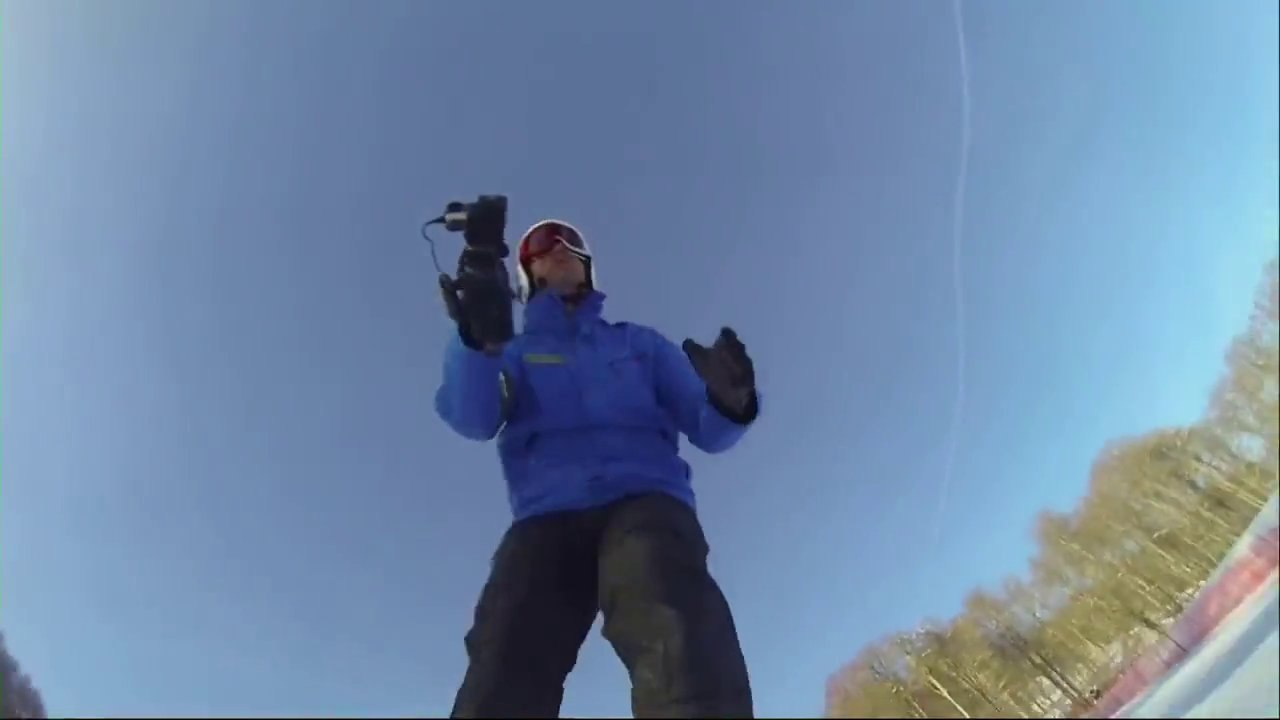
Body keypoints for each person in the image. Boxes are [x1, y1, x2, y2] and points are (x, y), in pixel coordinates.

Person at [434, 217, 761, 719]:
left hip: (644, 496)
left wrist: (730, 401)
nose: (560, 247)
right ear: (528, 274)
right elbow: (474, 418)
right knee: (509, 644)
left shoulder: (639, 345)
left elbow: (708, 430)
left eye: (571, 243)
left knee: (662, 598)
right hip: (547, 514)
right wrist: (476, 344)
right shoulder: (517, 352)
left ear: (588, 267)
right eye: (543, 246)